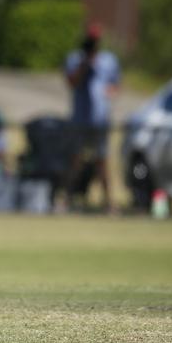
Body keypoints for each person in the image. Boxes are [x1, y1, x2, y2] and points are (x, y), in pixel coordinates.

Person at [63, 22, 120, 214]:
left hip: (100, 120)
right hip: (80, 119)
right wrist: (84, 65)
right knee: (75, 160)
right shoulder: (75, 58)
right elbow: (71, 82)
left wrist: (108, 93)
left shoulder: (109, 60)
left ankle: (109, 203)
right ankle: (65, 200)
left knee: (102, 161)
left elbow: (115, 85)